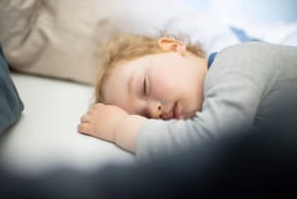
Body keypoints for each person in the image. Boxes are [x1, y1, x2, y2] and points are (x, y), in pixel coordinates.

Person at [77, 33, 297, 160]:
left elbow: (211, 144)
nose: (154, 112)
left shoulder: (236, 62)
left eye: (145, 86)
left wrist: (121, 127)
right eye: (144, 118)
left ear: (172, 47)